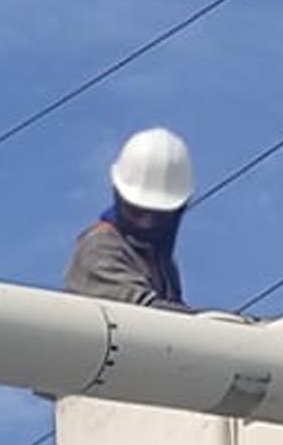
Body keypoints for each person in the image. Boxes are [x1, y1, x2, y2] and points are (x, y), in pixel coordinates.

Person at [64, 126, 194, 310]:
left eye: (159, 215)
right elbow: (143, 315)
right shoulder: (99, 247)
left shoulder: (161, 262)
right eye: (136, 211)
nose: (146, 223)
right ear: (117, 195)